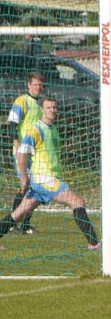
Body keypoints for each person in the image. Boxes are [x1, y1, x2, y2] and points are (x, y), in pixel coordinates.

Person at [0, 98, 99, 248]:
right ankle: (94, 243)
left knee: (18, 214)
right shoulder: (36, 130)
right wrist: (24, 177)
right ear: (42, 109)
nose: (52, 110)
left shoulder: (51, 128)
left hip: (44, 180)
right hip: (44, 180)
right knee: (77, 202)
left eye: (54, 107)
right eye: (48, 107)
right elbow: (21, 153)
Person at [6, 71, 45, 234]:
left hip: (35, 153)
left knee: (34, 187)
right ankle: (12, 223)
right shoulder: (22, 101)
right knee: (25, 185)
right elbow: (11, 124)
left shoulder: (41, 104)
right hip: (22, 152)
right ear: (29, 85)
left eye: (40, 84)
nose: (38, 87)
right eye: (35, 84)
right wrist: (17, 146)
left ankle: (26, 224)